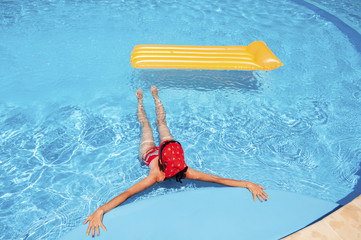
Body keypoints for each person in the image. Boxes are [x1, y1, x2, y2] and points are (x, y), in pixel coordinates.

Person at [84, 86, 268, 237]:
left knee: (153, 125)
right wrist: (100, 210)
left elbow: (218, 180)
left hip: (156, 152)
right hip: (150, 153)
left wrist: (247, 184)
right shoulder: (175, 172)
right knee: (155, 124)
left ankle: (153, 98)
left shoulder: (167, 172)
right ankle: (143, 100)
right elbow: (127, 194)